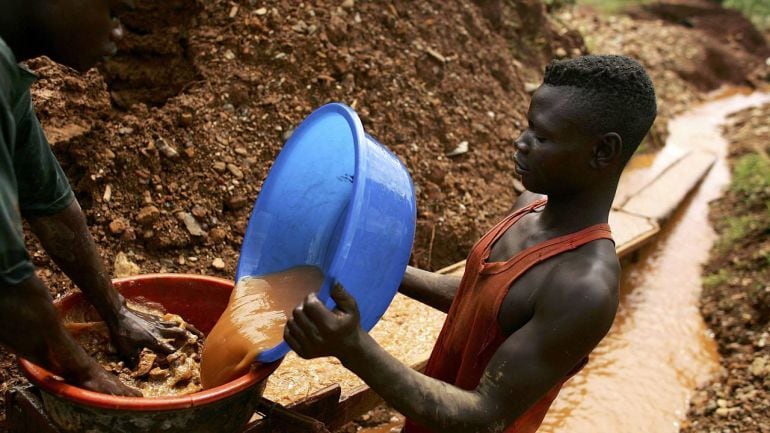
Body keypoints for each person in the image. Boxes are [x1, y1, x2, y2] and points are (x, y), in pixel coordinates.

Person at [284, 55, 657, 432]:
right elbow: (477, 298)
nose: (521, 142)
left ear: (603, 152)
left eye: (541, 137)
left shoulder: (584, 288)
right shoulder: (528, 208)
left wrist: (353, 348)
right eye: (527, 127)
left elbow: (483, 414)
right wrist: (364, 262)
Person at [0, 0, 191, 396]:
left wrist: (116, 311)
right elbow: (6, 279)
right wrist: (86, 375)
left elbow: (49, 203)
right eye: (114, 12)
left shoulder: (7, 67)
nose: (118, 33)